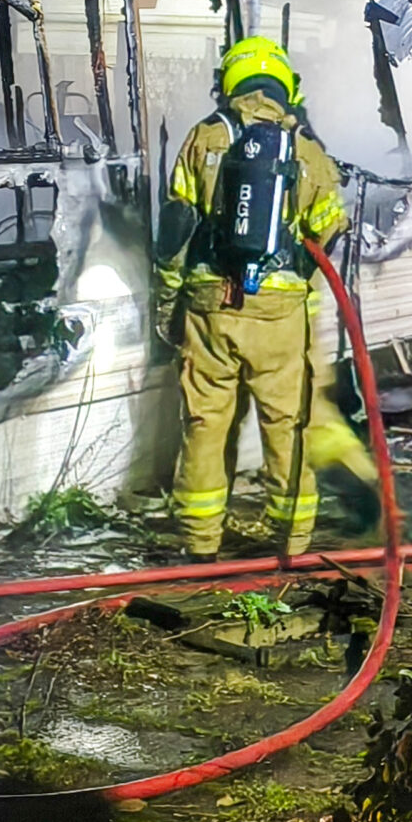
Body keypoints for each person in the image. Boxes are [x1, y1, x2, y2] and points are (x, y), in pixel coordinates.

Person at [153, 36, 350, 559]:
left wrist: (168, 301)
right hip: (279, 314)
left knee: (205, 422)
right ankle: (293, 540)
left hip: (210, 307)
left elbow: (176, 226)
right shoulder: (304, 150)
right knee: (286, 424)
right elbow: (329, 229)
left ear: (228, 83)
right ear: (286, 87)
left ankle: (200, 542)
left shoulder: (205, 138)